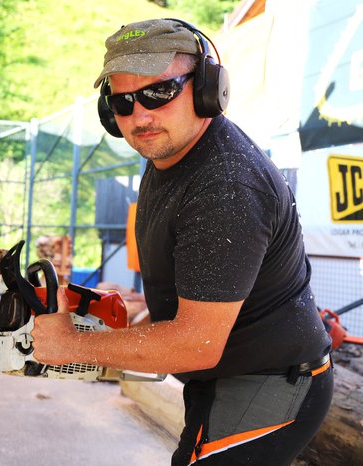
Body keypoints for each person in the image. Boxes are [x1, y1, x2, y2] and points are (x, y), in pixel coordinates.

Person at [31, 19, 333, 466]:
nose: (140, 115)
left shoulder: (227, 186)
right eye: (123, 101)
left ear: (209, 88)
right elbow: (199, 288)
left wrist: (71, 345)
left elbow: (196, 344)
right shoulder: (170, 150)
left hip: (267, 385)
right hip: (227, 377)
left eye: (159, 92)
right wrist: (140, 327)